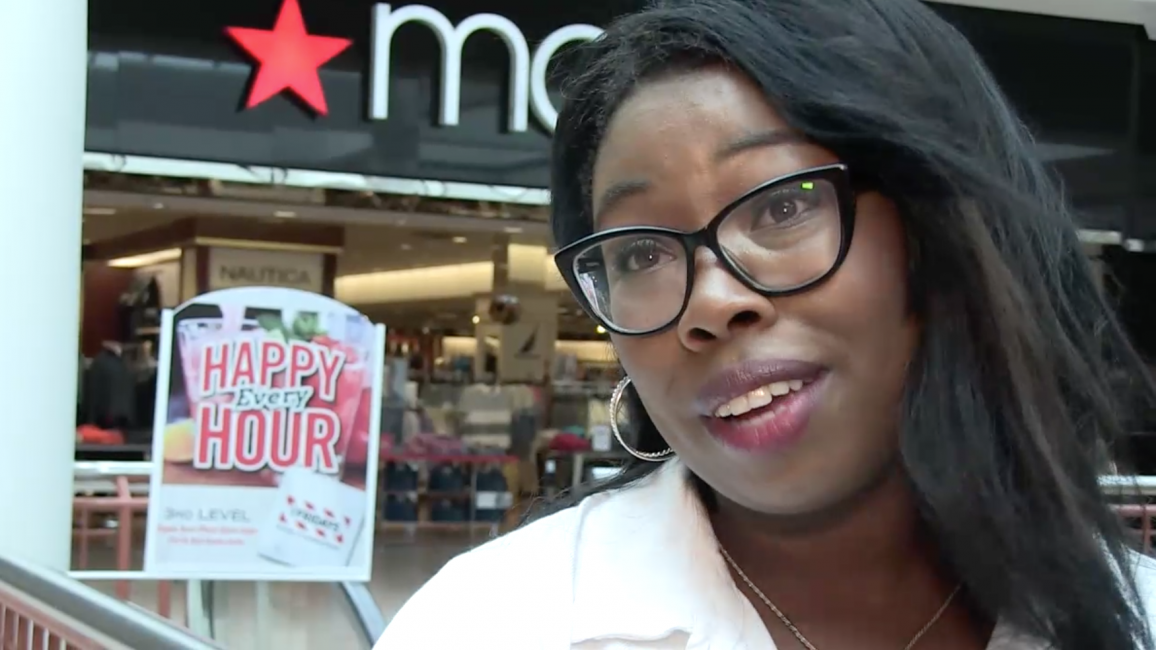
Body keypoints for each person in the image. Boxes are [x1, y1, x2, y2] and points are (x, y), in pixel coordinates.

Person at [374, 1, 1156, 648]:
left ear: (938, 233)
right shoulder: (488, 623)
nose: (711, 304)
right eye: (641, 253)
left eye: (783, 206)